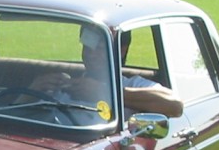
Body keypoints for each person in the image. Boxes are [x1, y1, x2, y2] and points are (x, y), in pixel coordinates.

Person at [36, 27, 183, 122]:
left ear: (122, 50)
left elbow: (175, 105)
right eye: (88, 47)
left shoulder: (131, 85)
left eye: (100, 48)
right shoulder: (65, 85)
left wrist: (106, 93)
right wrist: (33, 90)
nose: (91, 55)